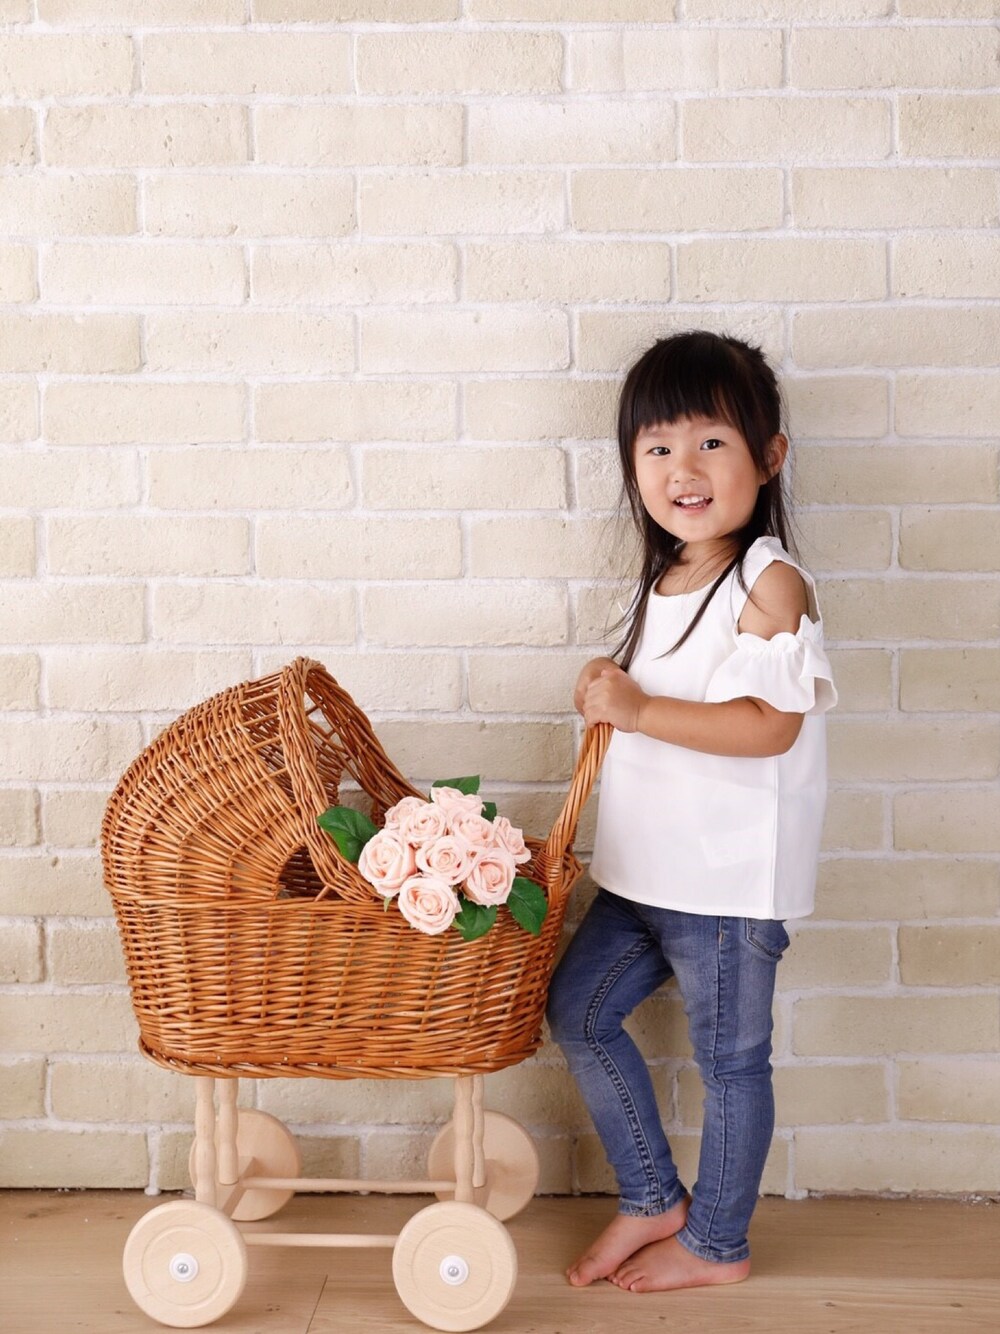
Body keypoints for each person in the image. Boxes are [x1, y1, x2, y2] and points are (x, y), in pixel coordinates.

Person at [546, 330, 837, 1294]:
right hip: (643, 871)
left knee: (730, 1064)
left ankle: (718, 1241)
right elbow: (663, 697)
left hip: (723, 882)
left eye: (712, 442)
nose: (684, 468)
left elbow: (768, 726)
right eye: (659, 447)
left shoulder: (768, 581)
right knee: (579, 1012)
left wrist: (636, 709)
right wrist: (612, 684)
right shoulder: (669, 575)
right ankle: (650, 1196)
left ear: (770, 455)